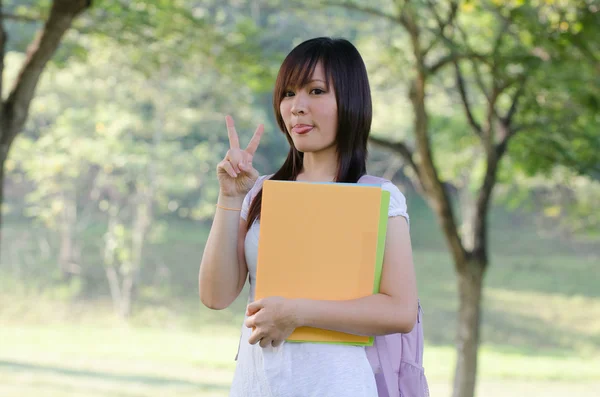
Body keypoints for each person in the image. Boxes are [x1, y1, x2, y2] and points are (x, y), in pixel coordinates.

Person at [199, 37, 418, 397]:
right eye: (288, 93)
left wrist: (297, 313)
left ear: (350, 101)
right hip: (258, 385)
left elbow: (400, 310)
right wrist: (229, 197)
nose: (297, 107)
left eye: (315, 91)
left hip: (337, 386)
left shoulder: (378, 196)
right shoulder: (259, 191)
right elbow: (215, 295)